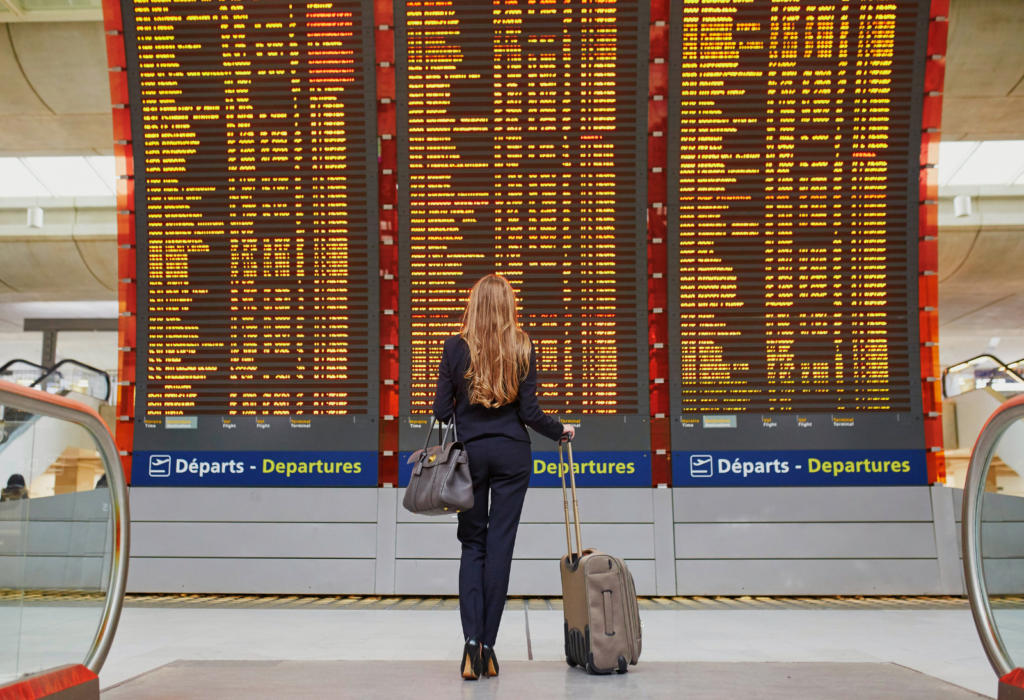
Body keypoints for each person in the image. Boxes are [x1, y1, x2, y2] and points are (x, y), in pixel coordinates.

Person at [432, 274, 576, 680]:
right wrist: (560, 429)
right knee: (500, 547)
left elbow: (442, 412)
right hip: (513, 454)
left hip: (469, 458)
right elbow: (530, 412)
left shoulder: (454, 347)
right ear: (509, 305)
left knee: (472, 545)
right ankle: (490, 647)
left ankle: (470, 646)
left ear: (473, 304)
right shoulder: (523, 345)